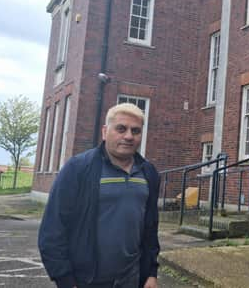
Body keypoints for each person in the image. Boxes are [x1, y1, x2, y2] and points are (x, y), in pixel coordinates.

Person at [39, 103, 160, 288]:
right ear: (105, 131)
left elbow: (150, 228)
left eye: (135, 131)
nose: (128, 136)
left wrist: (151, 273)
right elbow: (53, 228)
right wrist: (65, 280)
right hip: (87, 281)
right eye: (121, 129)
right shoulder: (78, 169)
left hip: (132, 279)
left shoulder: (148, 173)